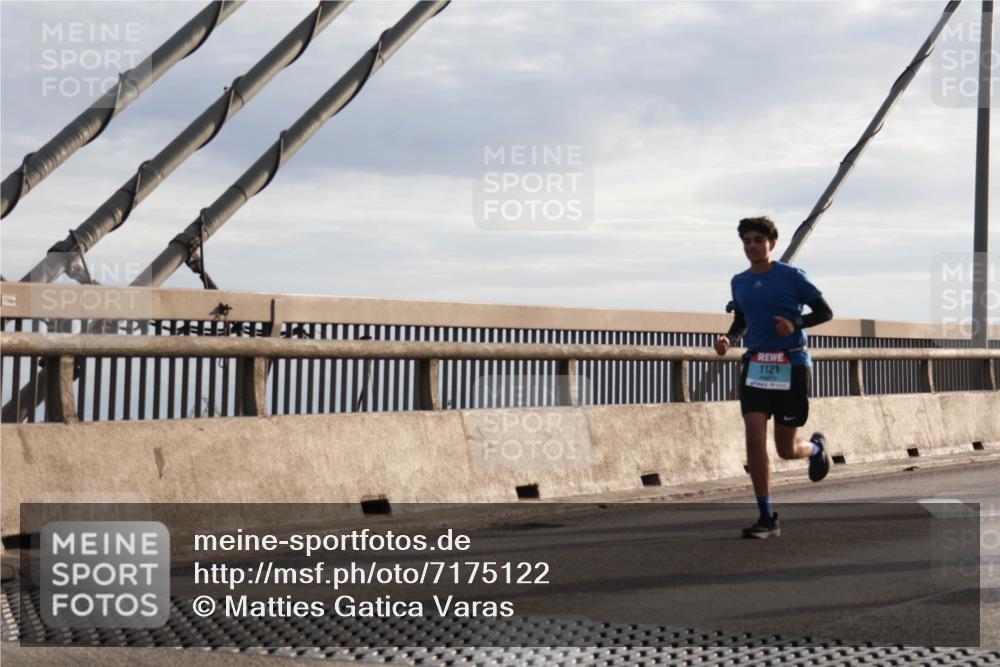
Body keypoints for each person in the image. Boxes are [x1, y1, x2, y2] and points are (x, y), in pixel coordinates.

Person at [714, 216, 834, 539]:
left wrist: (795, 324)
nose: (752, 246)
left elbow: (825, 312)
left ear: (772, 244)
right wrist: (729, 339)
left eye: (758, 240)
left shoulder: (792, 276)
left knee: (785, 448)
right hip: (755, 366)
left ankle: (816, 450)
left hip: (791, 364)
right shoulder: (738, 281)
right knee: (753, 436)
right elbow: (742, 319)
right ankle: (766, 516)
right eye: (747, 241)